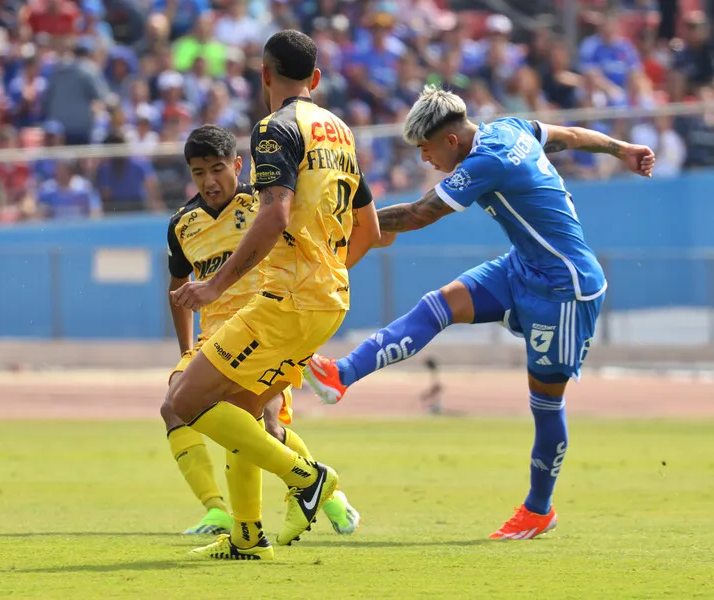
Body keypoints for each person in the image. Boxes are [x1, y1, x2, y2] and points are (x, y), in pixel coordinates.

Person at [303, 85, 656, 540]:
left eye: (426, 150)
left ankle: (539, 510)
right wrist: (622, 149)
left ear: (451, 140)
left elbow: (419, 214)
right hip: (522, 266)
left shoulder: (486, 161)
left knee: (545, 402)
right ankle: (342, 375)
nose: (425, 159)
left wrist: (354, 223)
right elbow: (568, 136)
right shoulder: (510, 127)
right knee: (440, 303)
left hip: (564, 288)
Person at [165, 30, 380, 561]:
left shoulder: (274, 128)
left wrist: (215, 284)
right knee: (242, 408)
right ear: (316, 78)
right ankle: (247, 537)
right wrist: (326, 273)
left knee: (185, 401)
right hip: (330, 298)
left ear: (264, 74)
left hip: (288, 298)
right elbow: (371, 229)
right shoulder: (341, 132)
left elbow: (275, 214)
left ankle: (308, 478)